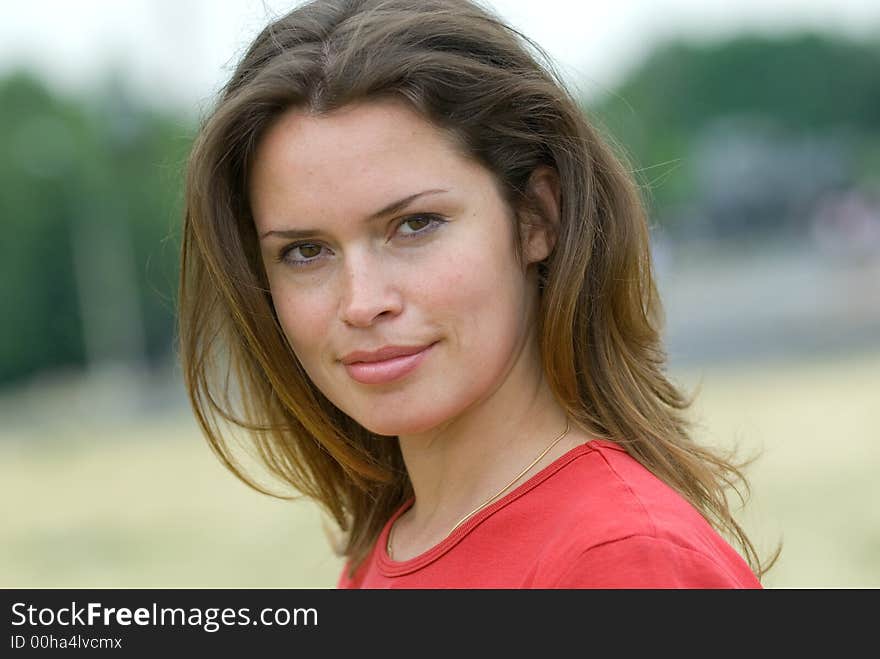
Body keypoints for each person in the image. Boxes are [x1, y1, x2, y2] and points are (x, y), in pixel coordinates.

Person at [178, 0, 778, 588]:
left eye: (414, 225)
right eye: (305, 251)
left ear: (536, 218)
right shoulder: (390, 549)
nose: (361, 302)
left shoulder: (621, 562)